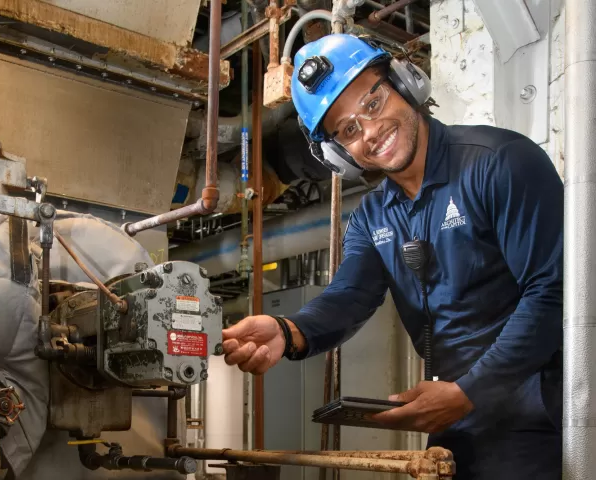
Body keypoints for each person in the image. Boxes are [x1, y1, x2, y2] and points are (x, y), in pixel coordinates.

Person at [222, 34, 562, 479]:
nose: (369, 130)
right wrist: (290, 330)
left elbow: (553, 293)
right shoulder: (371, 216)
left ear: (405, 82)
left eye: (372, 102)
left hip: (542, 418)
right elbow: (349, 296)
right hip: (456, 423)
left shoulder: (500, 163)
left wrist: (467, 392)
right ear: (337, 154)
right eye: (346, 130)